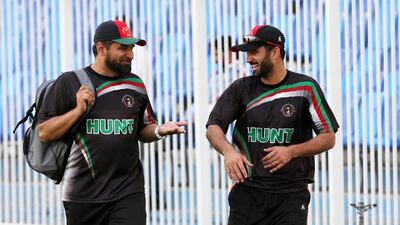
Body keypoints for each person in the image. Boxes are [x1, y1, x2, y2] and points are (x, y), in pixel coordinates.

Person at [37, 20, 187, 225]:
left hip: (128, 191)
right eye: (123, 48)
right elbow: (44, 133)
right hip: (82, 196)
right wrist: (78, 111)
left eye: (132, 48)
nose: (131, 54)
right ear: (101, 48)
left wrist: (160, 130)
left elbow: (142, 130)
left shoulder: (135, 84)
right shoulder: (70, 82)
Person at [206, 25, 339, 225]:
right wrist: (228, 152)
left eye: (254, 52)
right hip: (246, 193)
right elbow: (213, 127)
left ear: (275, 51)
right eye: (247, 53)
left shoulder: (305, 88)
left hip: (291, 196)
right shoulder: (240, 88)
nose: (248, 59)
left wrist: (291, 151)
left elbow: (328, 137)